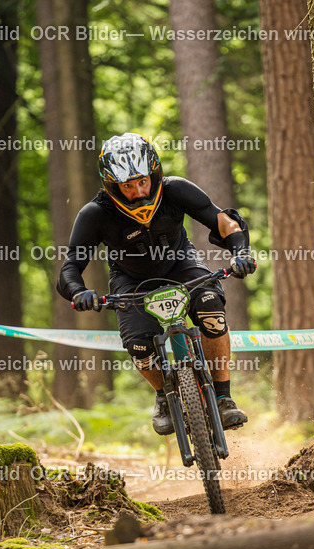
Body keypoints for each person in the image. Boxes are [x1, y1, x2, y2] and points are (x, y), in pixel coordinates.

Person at [56, 132, 257, 436]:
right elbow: (71, 266)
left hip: (181, 264)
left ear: (154, 174)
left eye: (142, 181)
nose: (138, 192)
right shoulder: (96, 214)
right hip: (131, 279)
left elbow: (222, 222)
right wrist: (79, 292)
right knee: (139, 347)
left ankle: (223, 396)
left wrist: (241, 253)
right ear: (113, 186)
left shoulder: (175, 190)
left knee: (212, 315)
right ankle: (164, 395)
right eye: (127, 186)